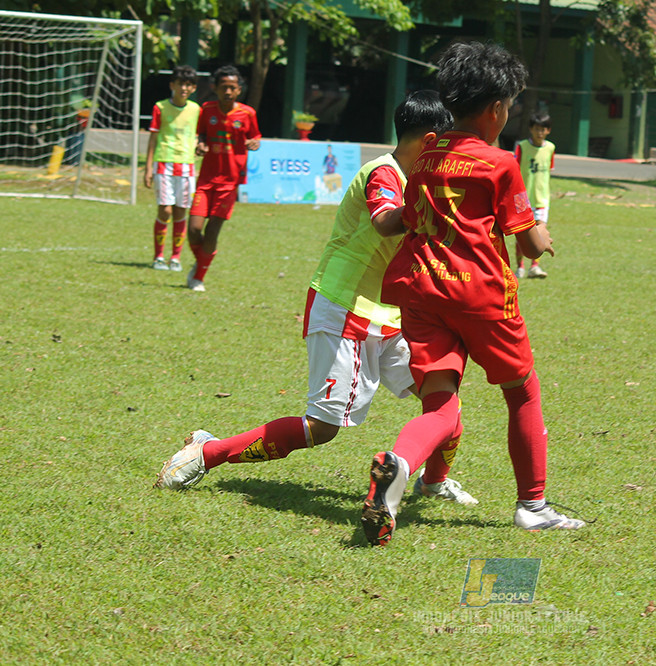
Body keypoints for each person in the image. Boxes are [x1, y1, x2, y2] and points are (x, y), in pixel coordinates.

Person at [154, 91, 478, 505]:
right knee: (320, 429)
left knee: (444, 399)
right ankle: (207, 452)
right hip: (346, 308)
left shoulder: (422, 181)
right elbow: (384, 223)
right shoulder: (384, 173)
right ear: (431, 141)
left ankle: (433, 482)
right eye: (448, 144)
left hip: (394, 314)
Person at [361, 41, 585, 547]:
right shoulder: (501, 163)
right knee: (521, 389)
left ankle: (400, 464)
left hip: (421, 290)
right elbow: (526, 237)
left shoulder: (425, 156)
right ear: (496, 108)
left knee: (440, 403)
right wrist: (541, 239)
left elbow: (410, 219)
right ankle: (533, 505)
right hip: (481, 294)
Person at [185, 65, 261, 292]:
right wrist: (200, 143)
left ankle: (198, 276)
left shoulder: (247, 114)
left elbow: (255, 135)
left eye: (232, 88)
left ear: (239, 90)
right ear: (215, 88)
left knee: (213, 230)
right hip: (206, 180)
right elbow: (201, 134)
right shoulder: (206, 110)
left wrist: (254, 142)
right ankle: (202, 261)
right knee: (194, 230)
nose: (228, 91)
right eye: (223, 87)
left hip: (230, 182)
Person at [143, 65, 200, 272]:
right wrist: (148, 168)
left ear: (193, 88)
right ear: (172, 85)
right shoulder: (160, 107)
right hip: (164, 164)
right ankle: (158, 256)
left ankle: (175, 257)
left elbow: (200, 136)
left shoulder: (196, 110)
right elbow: (153, 137)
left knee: (180, 212)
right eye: (180, 84)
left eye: (188, 84)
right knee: (165, 210)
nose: (184, 88)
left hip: (187, 166)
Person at [514, 112, 555, 279]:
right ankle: (520, 267)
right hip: (523, 198)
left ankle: (535, 266)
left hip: (542, 199)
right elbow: (514, 169)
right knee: (522, 235)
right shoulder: (522, 147)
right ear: (531, 129)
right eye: (537, 129)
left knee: (540, 233)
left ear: (548, 131)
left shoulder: (550, 148)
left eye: (543, 129)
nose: (540, 133)